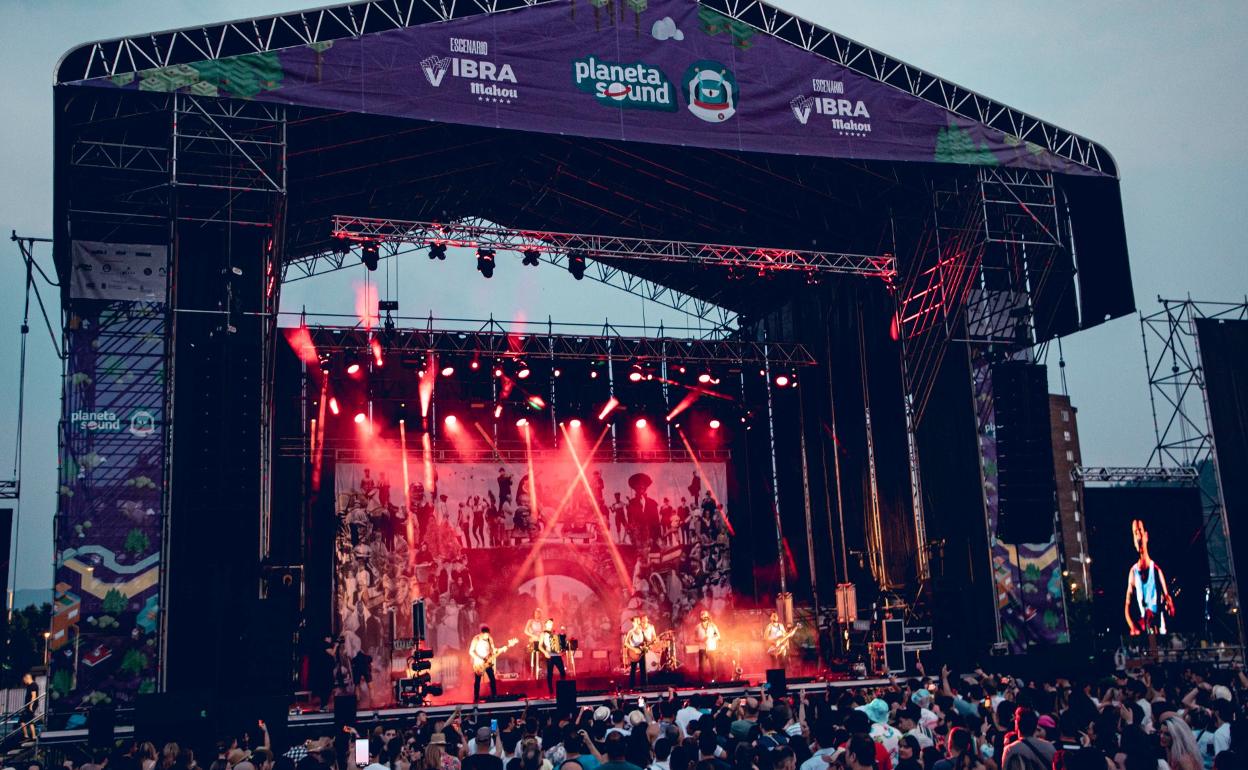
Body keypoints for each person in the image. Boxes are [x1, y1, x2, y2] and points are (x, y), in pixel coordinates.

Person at [1124, 519, 1175, 635]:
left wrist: (1169, 604)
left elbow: (1168, 600)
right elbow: (1127, 604)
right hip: (1145, 629)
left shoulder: (1156, 570)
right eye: (1135, 532)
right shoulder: (1133, 572)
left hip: (1159, 629)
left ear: (1146, 536)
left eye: (1140, 531)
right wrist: (1132, 626)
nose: (1138, 535)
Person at [469, 626, 501, 702]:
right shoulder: (476, 639)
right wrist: (480, 658)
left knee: (492, 678)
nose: (487, 636)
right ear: (481, 633)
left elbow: (493, 649)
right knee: (478, 680)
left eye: (488, 635)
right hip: (479, 663)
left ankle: (494, 695)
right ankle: (476, 697)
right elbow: (471, 651)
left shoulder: (490, 639)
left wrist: (498, 650)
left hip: (487, 662)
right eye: (485, 635)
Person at [624, 615, 657, 689]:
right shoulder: (631, 632)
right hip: (633, 653)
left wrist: (650, 644)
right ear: (633, 623)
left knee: (643, 670)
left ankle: (644, 687)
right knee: (633, 670)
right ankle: (631, 687)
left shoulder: (642, 631)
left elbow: (646, 641)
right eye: (637, 621)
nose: (639, 622)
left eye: (639, 620)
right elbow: (626, 643)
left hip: (641, 653)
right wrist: (634, 649)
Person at [539, 619, 567, 694]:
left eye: (551, 623)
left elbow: (560, 643)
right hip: (549, 655)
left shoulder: (555, 632)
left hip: (557, 655)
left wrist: (562, 651)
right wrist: (545, 652)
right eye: (549, 623)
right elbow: (539, 646)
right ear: (546, 624)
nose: (551, 624)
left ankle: (563, 689)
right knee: (550, 673)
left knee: (562, 672)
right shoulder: (543, 634)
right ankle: (550, 690)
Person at [694, 611, 722, 683]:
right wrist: (701, 640)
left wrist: (712, 639)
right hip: (702, 648)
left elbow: (718, 636)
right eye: (702, 615)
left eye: (704, 615)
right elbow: (694, 638)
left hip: (711, 648)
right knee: (702, 667)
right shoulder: (697, 627)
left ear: (708, 616)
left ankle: (714, 681)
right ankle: (701, 682)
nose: (703, 617)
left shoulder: (713, 626)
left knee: (713, 666)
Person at [524, 609, 545, 680]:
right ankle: (532, 673)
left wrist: (541, 635)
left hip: (540, 640)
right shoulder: (530, 621)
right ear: (534, 613)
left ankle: (540, 672)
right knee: (532, 657)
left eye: (538, 613)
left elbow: (544, 631)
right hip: (533, 640)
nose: (537, 614)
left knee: (541, 657)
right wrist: (532, 635)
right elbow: (525, 631)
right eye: (536, 613)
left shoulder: (542, 622)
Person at [20, 672, 39, 741]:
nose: (24, 682)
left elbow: (34, 696)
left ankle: (28, 736)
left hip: (31, 705)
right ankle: (31, 736)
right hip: (29, 705)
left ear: (27, 678)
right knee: (28, 720)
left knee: (23, 720)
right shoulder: (29, 685)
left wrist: (31, 705)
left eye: (24, 680)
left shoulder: (33, 685)